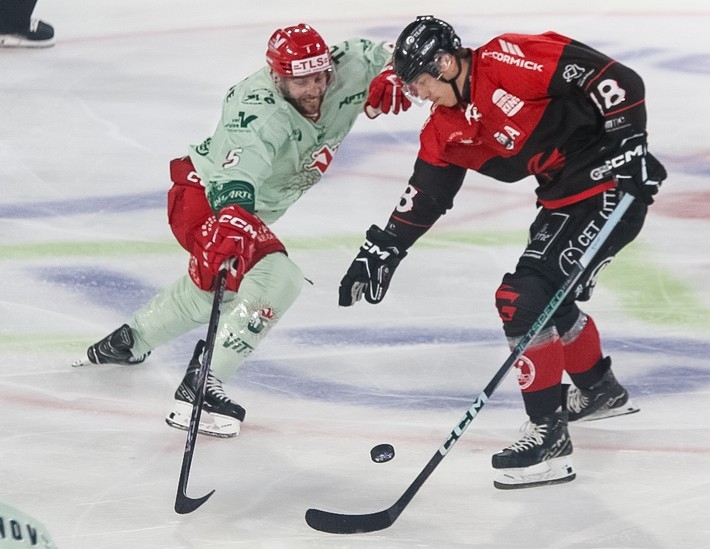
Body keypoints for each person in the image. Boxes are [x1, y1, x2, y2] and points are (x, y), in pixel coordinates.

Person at [338, 16, 667, 489]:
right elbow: (425, 195)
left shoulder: (507, 59)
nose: (421, 95)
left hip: (612, 189)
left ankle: (548, 437)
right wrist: (384, 247)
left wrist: (631, 145)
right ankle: (598, 390)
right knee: (548, 297)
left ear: (447, 63)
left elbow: (614, 79)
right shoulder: (445, 129)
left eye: (423, 83)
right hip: (561, 199)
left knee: (523, 298)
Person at [76, 23, 410, 438]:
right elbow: (240, 174)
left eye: (320, 76)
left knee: (219, 286)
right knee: (276, 278)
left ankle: (130, 341)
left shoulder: (350, 63)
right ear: (277, 77)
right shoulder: (257, 109)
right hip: (209, 202)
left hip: (245, 210)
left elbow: (406, 46)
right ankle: (201, 385)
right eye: (300, 80)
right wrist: (233, 220)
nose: (315, 89)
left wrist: (398, 71)